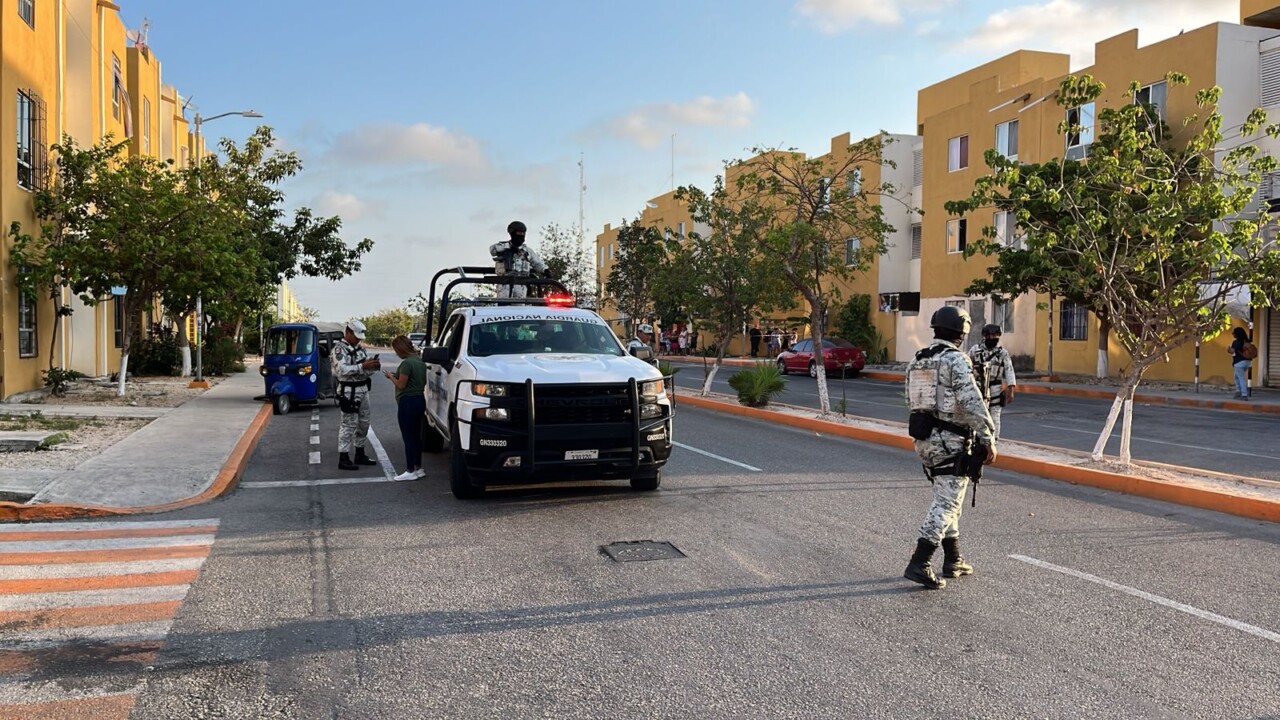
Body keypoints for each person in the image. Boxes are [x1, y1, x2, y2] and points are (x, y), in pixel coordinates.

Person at [903, 305, 997, 590]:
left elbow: (912, 400)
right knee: (947, 502)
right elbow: (971, 402)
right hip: (950, 441)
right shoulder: (956, 360)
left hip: (924, 439)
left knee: (948, 498)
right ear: (962, 332)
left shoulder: (917, 360)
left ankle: (953, 559)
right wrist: (988, 437)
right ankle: (920, 561)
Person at [334, 319, 381, 471]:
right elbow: (341, 370)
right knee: (348, 424)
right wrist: (362, 366)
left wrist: (372, 366)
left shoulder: (360, 349)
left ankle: (359, 453)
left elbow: (365, 371)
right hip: (349, 391)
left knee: (364, 423)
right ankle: (344, 456)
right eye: (356, 335)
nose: (358, 339)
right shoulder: (339, 350)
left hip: (363, 389)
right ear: (348, 332)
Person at [383, 335, 428, 481]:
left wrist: (391, 376)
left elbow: (401, 385)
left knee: (408, 436)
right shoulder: (420, 362)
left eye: (396, 350)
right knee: (416, 436)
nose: (396, 353)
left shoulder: (406, 364)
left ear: (401, 348)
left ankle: (410, 470)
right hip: (420, 399)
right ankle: (418, 467)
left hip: (407, 401)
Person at [968, 323, 1018, 440]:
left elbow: (1009, 370)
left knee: (995, 416)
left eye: (996, 335)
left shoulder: (1003, 353)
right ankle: (977, 440)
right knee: (978, 415)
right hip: (978, 387)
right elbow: (966, 366)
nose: (993, 338)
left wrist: (1011, 390)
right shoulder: (975, 350)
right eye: (990, 335)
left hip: (995, 388)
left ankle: (994, 441)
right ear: (985, 336)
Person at [489, 220, 550, 298]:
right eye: (518, 234)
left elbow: (537, 263)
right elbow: (492, 250)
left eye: (523, 234)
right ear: (512, 234)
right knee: (503, 307)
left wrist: (545, 270)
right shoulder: (502, 247)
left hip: (521, 284)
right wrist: (509, 248)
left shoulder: (527, 251)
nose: (521, 236)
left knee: (520, 308)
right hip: (504, 283)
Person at [1229, 326, 1253, 400]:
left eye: (1234, 333)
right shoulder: (1247, 342)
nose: (1233, 334)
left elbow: (1232, 352)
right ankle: (1238, 391)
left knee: (1241, 378)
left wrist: (1228, 349)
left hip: (1239, 362)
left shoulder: (1236, 342)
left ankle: (1244, 394)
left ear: (1237, 334)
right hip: (1247, 362)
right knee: (1236, 376)